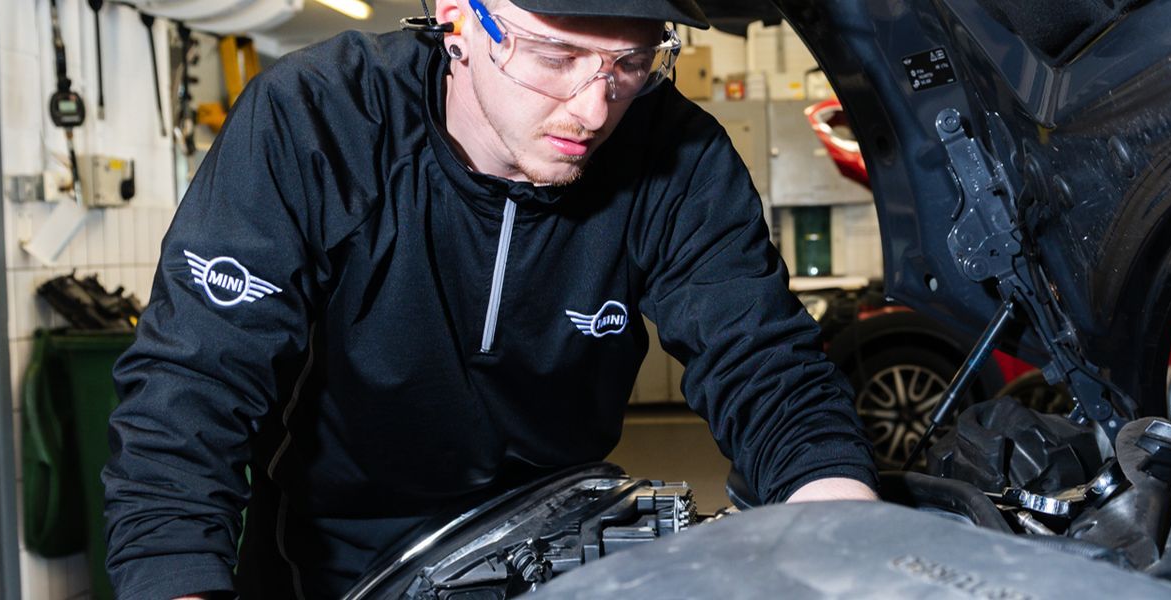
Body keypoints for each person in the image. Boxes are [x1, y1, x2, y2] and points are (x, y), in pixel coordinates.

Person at [102, 0, 880, 597]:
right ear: (458, 20)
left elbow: (766, 365)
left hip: (557, 538)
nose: (593, 107)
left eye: (631, 61)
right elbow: (191, 390)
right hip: (333, 555)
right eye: (556, 54)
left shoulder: (674, 150)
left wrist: (841, 519)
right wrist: (176, 574)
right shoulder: (317, 121)